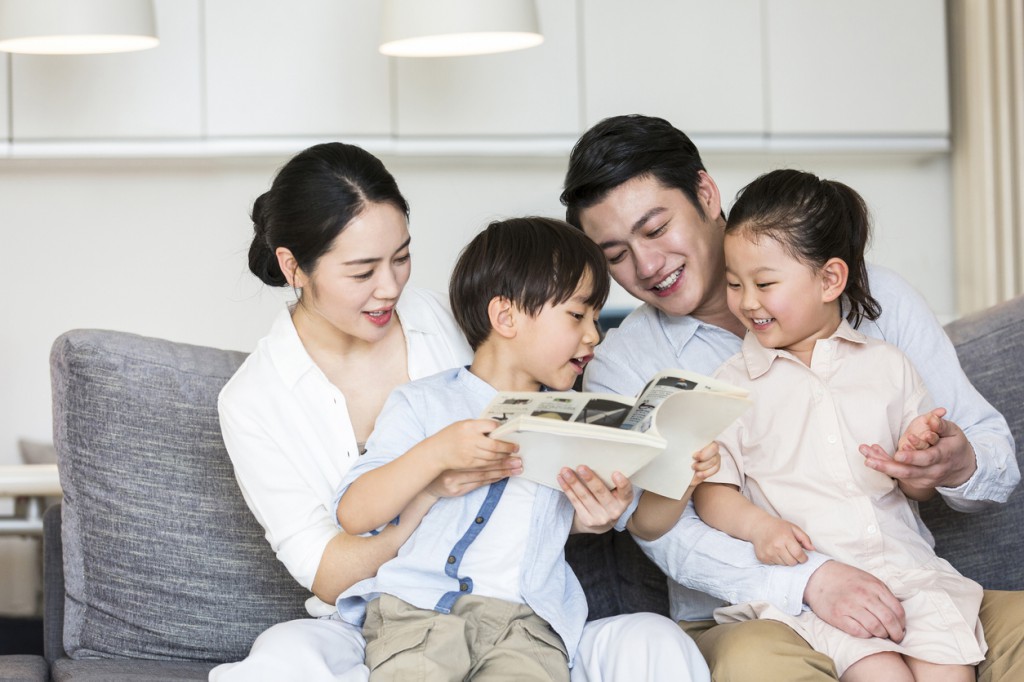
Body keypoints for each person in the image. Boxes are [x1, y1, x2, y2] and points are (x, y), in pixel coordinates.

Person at [211, 142, 707, 681]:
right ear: (293, 266)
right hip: (388, 612)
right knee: (276, 664)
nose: (390, 287)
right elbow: (331, 570)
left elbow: (529, 501)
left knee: (654, 644)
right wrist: (430, 488)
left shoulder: (437, 317)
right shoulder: (255, 401)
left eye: (401, 257)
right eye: (362, 271)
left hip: (522, 616)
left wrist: (599, 513)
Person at [559, 114, 1023, 681]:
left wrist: (955, 463)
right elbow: (668, 536)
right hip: (753, 617)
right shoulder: (626, 365)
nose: (647, 266)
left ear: (705, 194)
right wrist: (812, 579)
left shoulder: (871, 299)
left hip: (911, 582)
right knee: (759, 664)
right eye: (615, 254)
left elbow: (990, 455)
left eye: (656, 230)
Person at [333, 217, 715, 681]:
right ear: (506, 317)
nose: (594, 335)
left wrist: (683, 472)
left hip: (528, 624)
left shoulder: (586, 421)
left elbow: (647, 523)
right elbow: (355, 515)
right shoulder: (425, 402)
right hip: (417, 609)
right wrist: (436, 454)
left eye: (596, 319)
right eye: (577, 315)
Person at [692, 169, 985, 681]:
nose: (746, 301)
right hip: (818, 591)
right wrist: (760, 527)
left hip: (910, 574)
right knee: (882, 674)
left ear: (830, 279)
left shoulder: (888, 365)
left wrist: (918, 464)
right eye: (734, 284)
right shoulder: (730, 387)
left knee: (950, 673)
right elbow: (711, 492)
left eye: (764, 283)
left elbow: (915, 487)